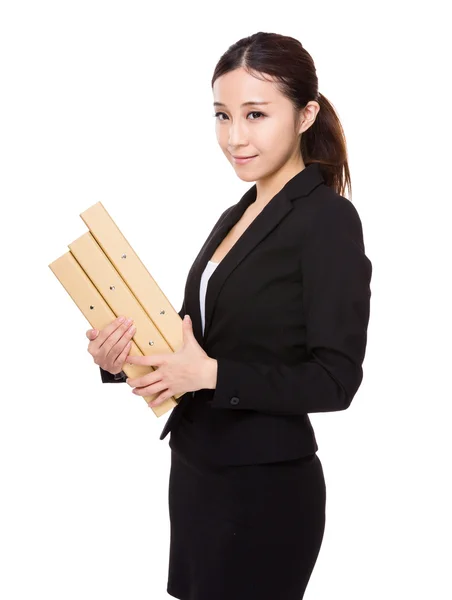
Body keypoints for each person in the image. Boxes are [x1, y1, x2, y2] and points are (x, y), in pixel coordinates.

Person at [87, 31, 372, 600]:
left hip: (264, 488)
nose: (234, 137)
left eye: (256, 114)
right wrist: (119, 359)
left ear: (305, 114)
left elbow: (337, 379)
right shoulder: (235, 214)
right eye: (222, 115)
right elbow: (199, 342)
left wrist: (211, 375)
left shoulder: (327, 220)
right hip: (198, 474)